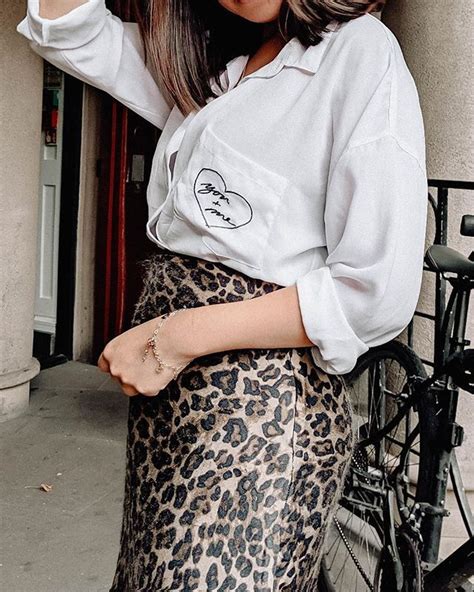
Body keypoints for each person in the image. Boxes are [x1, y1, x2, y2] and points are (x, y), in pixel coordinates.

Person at [17, 0, 428, 590]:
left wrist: (177, 335)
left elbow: (375, 290)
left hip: (263, 412)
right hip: (172, 407)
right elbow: (70, 28)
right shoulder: (216, 60)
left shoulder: (359, 52)